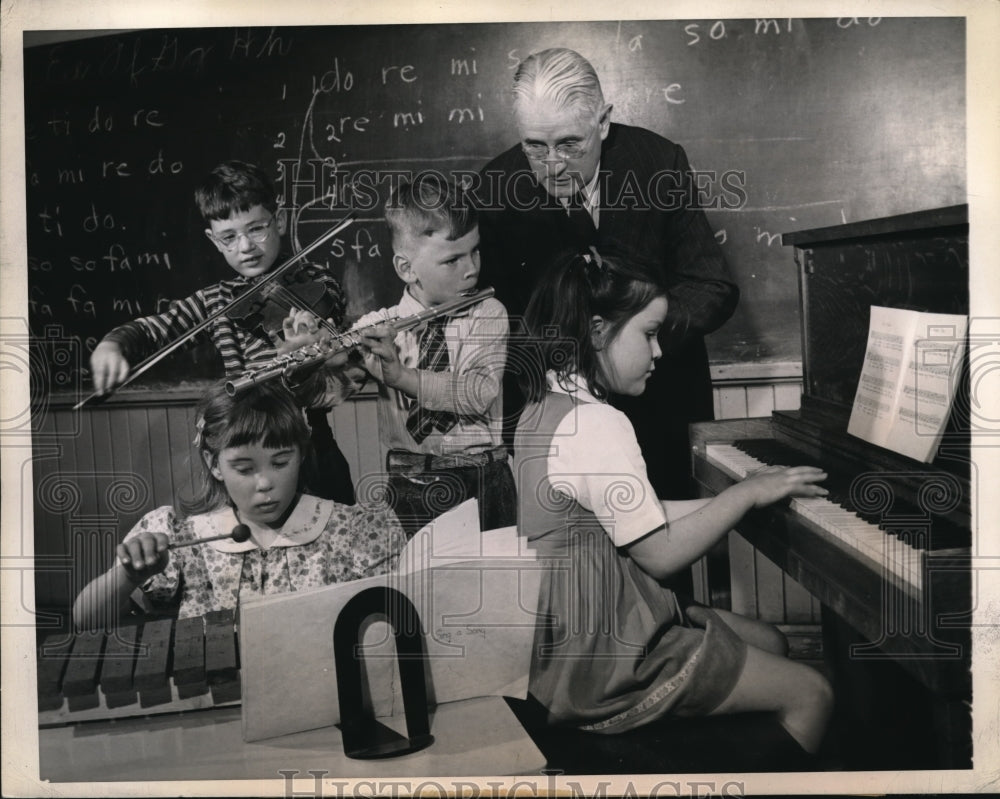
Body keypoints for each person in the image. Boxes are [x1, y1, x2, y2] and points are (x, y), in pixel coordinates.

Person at [512, 247, 832, 755]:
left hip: (567, 643)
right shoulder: (597, 423)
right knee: (812, 692)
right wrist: (746, 493)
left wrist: (735, 500)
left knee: (770, 641)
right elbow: (658, 553)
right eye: (649, 333)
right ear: (597, 332)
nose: (659, 352)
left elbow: (634, 517)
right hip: (608, 663)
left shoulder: (547, 405)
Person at [475, 47, 739, 501]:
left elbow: (712, 286)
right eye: (534, 146)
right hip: (558, 425)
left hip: (663, 408)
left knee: (667, 554)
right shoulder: (493, 189)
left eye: (569, 144)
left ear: (603, 121)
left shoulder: (659, 162)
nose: (552, 165)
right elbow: (496, 319)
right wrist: (577, 358)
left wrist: (635, 339)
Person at [88, 159, 358, 505]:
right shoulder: (216, 300)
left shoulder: (316, 282)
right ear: (214, 241)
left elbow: (329, 383)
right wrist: (113, 346)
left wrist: (301, 358)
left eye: (257, 229)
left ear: (280, 221)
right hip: (243, 451)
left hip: (308, 450)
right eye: (230, 237)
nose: (246, 246)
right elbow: (154, 330)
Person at [73, 381, 405, 627]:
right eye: (244, 469)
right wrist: (127, 577)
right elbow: (84, 620)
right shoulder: (180, 539)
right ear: (215, 464)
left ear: (301, 455)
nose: (264, 483)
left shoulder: (354, 531)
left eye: (279, 463)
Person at [354, 173, 515, 538]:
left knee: (494, 590)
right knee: (419, 593)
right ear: (407, 269)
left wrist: (402, 378)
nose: (471, 268)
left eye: (475, 251)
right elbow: (329, 389)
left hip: (482, 478)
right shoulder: (380, 326)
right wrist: (310, 358)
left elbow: (478, 392)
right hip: (409, 481)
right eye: (452, 260)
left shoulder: (487, 313)